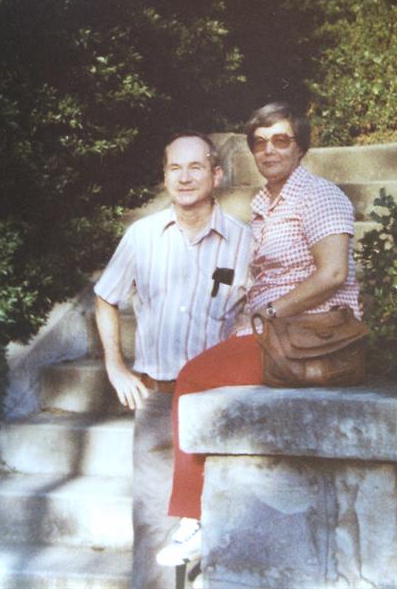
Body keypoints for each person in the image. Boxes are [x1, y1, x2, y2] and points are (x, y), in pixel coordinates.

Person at [157, 102, 361, 573]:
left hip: (309, 334)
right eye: (260, 142)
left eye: (281, 139)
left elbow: (332, 274)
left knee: (192, 379)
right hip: (275, 331)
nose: (269, 150)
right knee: (202, 366)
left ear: (302, 145)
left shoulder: (320, 196)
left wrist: (268, 313)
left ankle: (192, 518)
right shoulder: (265, 203)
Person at [94, 131, 252, 589]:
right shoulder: (142, 236)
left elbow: (255, 314)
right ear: (165, 176)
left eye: (196, 166)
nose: (184, 177)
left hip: (217, 408)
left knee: (217, 524)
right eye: (174, 168)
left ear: (216, 175)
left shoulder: (243, 242)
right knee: (152, 527)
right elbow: (106, 298)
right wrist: (115, 367)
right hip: (159, 404)